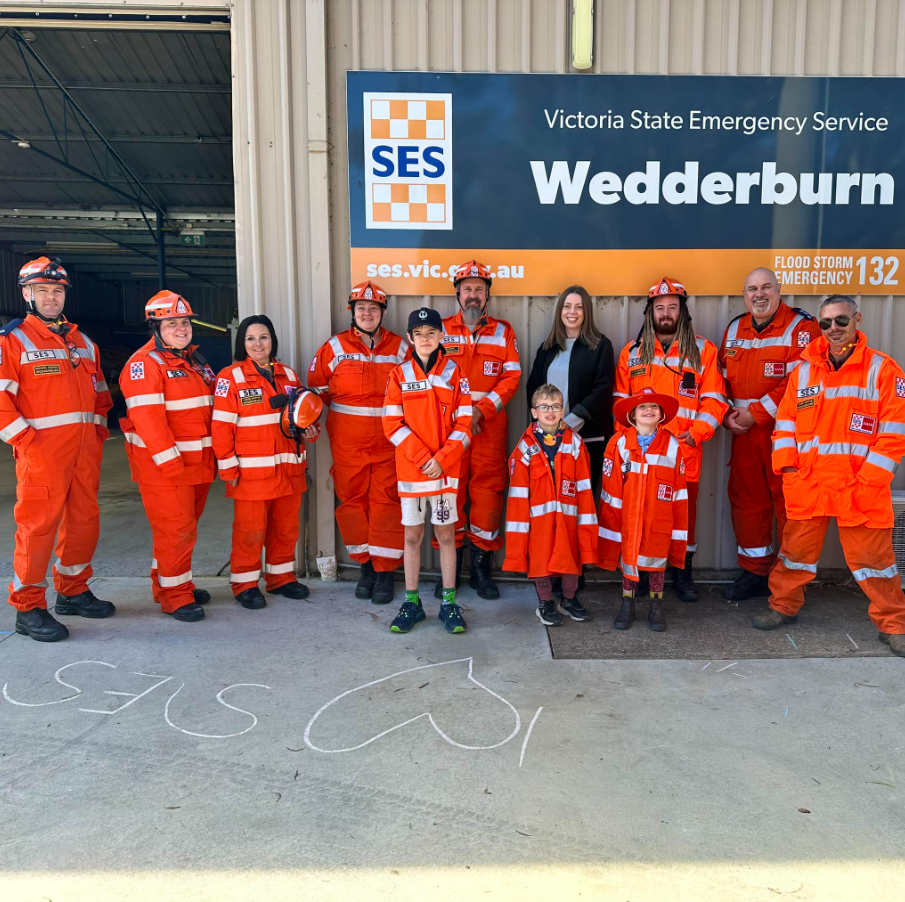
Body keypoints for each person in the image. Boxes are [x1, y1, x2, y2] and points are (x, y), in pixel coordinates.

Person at [756, 295, 905, 657]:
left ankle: (894, 624)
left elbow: (894, 433)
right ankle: (783, 606)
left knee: (875, 562)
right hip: (808, 482)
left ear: (857, 319)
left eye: (841, 320)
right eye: (826, 323)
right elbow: (785, 425)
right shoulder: (804, 370)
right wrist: (789, 469)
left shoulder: (883, 370)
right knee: (795, 554)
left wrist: (869, 481)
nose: (833, 329)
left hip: (860, 486)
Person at [0, 256, 114, 642]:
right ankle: (28, 607)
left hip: (84, 454)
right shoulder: (12, 341)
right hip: (42, 455)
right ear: (27, 295)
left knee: (84, 522)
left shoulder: (84, 343)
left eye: (57, 290)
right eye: (43, 290)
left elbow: (101, 395)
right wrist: (28, 443)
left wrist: (96, 435)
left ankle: (73, 591)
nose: (51, 297)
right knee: (37, 528)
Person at [613, 277, 727, 603]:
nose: (665, 313)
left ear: (683, 311)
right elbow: (621, 404)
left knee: (682, 518)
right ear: (650, 313)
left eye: (672, 307)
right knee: (645, 515)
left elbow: (715, 400)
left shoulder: (703, 351)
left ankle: (682, 574)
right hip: (642, 456)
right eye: (660, 307)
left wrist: (696, 434)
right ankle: (646, 573)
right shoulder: (632, 353)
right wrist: (625, 446)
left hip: (684, 453)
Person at [719, 268, 820, 600]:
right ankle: (755, 573)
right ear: (744, 295)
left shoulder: (802, 328)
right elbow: (719, 379)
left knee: (788, 506)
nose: (759, 294)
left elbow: (801, 382)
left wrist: (756, 414)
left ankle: (789, 581)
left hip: (785, 434)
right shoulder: (735, 328)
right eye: (752, 289)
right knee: (747, 504)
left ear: (779, 290)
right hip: (742, 434)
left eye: (766, 287)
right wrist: (726, 415)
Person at [308, 281, 409, 604]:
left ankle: (384, 572)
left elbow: (416, 391)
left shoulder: (400, 348)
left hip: (389, 442)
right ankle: (365, 566)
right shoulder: (334, 347)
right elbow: (317, 391)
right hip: (348, 444)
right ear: (352, 312)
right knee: (352, 502)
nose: (367, 313)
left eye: (374, 308)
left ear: (383, 312)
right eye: (361, 308)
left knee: (386, 503)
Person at [120, 290, 216, 622]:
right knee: (175, 530)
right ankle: (175, 597)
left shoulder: (194, 361)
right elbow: (149, 420)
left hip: (197, 465)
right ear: (156, 327)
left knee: (182, 530)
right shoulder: (144, 364)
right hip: (166, 468)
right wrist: (170, 463)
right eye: (172, 323)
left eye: (185, 322)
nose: (181, 328)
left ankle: (173, 583)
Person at [212, 315, 319, 609]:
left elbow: (301, 417)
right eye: (250, 338)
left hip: (289, 469)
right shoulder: (230, 377)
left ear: (272, 340)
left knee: (285, 528)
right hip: (251, 474)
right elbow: (221, 428)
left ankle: (280, 578)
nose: (258, 344)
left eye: (263, 337)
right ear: (242, 343)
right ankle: (245, 584)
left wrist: (310, 431)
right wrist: (228, 468)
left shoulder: (289, 375)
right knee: (250, 532)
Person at [382, 307, 472, 634]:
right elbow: (391, 424)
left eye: (431, 333)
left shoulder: (455, 373)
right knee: (412, 535)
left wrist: (442, 459)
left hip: (445, 473)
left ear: (441, 336)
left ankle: (448, 603)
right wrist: (423, 458)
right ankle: (412, 603)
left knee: (446, 535)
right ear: (410, 338)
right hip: (413, 472)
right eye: (418, 334)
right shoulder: (399, 374)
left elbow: (464, 424)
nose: (425, 339)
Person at [436, 260, 521, 600]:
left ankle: (482, 568)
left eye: (479, 290)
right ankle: (451, 567)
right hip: (449, 429)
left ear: (488, 295)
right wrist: (458, 415)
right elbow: (429, 374)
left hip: (489, 426)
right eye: (467, 289)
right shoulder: (439, 329)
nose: (473, 295)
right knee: (449, 491)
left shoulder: (504, 331)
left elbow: (511, 377)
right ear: (457, 294)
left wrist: (480, 411)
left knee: (487, 493)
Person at [502, 384, 597, 627]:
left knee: (571, 557)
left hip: (569, 517)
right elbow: (518, 497)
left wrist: (586, 526)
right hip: (539, 521)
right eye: (544, 407)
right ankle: (545, 602)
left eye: (555, 406)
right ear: (534, 412)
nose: (550, 411)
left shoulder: (575, 443)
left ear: (563, 410)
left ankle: (569, 599)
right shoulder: (525, 448)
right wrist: (520, 536)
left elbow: (585, 489)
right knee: (541, 560)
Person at [598, 388, 689, 632]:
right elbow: (611, 489)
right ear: (632, 414)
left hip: (659, 517)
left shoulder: (672, 444)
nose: (649, 410)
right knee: (628, 560)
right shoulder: (619, 443)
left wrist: (678, 529)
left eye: (654, 407)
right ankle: (627, 605)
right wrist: (614, 523)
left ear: (661, 414)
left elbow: (679, 493)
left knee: (657, 561)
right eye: (642, 407)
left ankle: (656, 607)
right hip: (628, 516)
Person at [525, 285, 615, 491]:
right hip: (550, 438)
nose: (572, 312)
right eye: (567, 306)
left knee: (582, 500)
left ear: (587, 312)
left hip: (588, 438)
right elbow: (533, 389)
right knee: (550, 497)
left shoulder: (601, 346)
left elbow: (603, 390)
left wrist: (571, 421)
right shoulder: (547, 348)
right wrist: (546, 423)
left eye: (579, 307)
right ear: (560, 311)